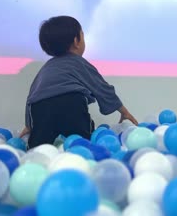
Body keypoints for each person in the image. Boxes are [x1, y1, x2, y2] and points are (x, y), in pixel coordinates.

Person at [19, 16, 138, 148]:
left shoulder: (46, 68)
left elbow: (32, 96)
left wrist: (30, 125)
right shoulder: (78, 63)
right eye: (82, 35)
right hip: (71, 103)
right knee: (82, 141)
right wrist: (123, 111)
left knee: (39, 145)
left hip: (41, 107)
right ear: (76, 41)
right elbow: (101, 87)